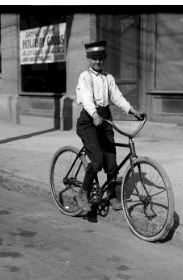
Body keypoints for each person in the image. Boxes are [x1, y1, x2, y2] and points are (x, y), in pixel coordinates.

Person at [75, 40, 142, 214]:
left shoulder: (108, 78)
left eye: (101, 58)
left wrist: (132, 110)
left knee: (111, 162)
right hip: (89, 121)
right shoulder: (85, 76)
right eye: (94, 58)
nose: (98, 61)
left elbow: (117, 97)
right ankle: (83, 192)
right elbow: (87, 98)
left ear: (104, 59)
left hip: (104, 120)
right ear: (89, 59)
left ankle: (111, 195)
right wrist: (94, 114)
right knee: (97, 160)